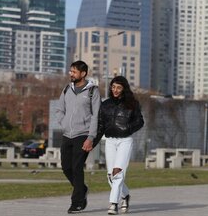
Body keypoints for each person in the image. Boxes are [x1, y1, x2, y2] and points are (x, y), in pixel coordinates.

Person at [55, 60, 101, 214]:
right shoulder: (67, 88)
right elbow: (60, 109)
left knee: (76, 167)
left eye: (74, 72)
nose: (71, 74)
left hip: (83, 135)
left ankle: (77, 203)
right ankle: (82, 189)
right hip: (67, 134)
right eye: (70, 71)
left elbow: (96, 116)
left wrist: (91, 137)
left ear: (83, 73)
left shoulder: (92, 91)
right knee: (66, 167)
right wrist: (63, 123)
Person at [96, 76, 144, 215]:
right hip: (110, 141)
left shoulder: (132, 104)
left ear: (124, 89)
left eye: (118, 87)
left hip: (125, 141)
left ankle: (113, 204)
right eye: (113, 87)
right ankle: (125, 195)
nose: (115, 90)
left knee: (118, 172)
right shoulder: (105, 104)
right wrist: (92, 142)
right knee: (110, 176)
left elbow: (140, 121)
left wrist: (128, 128)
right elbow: (100, 125)